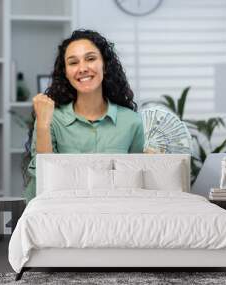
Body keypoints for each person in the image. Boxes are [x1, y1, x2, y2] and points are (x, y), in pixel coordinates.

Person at [22, 29, 144, 202]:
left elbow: (136, 186)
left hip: (114, 214)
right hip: (59, 212)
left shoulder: (132, 122)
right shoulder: (51, 118)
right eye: (73, 62)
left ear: (105, 65)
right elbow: (43, 176)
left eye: (91, 58)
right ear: (66, 72)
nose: (83, 68)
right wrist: (42, 124)